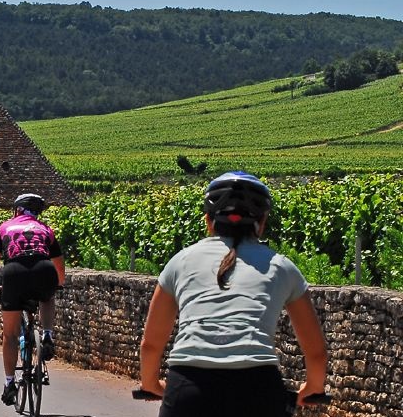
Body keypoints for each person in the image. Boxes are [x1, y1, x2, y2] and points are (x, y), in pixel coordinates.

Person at [137, 171, 328, 417]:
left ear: (208, 220)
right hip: (258, 390)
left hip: (189, 388)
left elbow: (151, 344)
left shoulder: (181, 262)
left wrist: (150, 384)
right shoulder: (281, 267)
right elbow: (316, 352)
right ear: (262, 222)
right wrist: (313, 387)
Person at [0, 193, 65, 407]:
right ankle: (47, 335)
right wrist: (59, 284)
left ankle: (9, 384)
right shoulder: (46, 229)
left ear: (17, 209)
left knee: (10, 336)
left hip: (14, 273)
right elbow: (59, 265)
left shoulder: (4, 228)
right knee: (48, 295)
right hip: (43, 269)